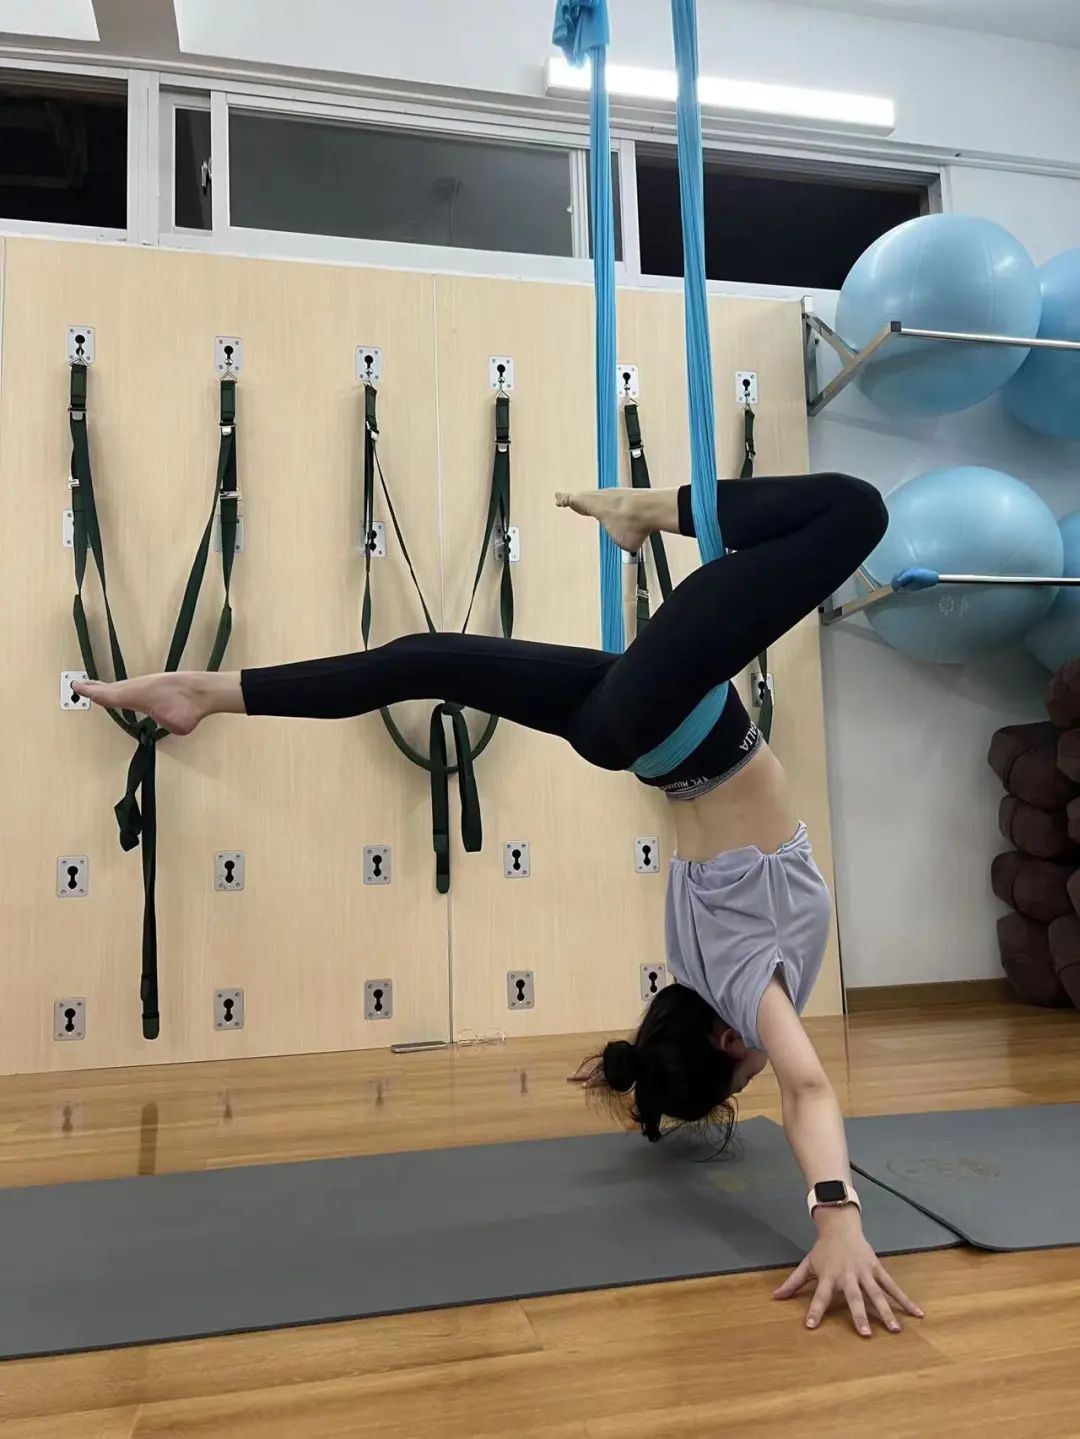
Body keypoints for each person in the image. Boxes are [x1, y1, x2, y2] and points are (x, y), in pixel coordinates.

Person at [74, 469, 922, 1338]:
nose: (767, 1060)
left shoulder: (742, 988)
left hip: (675, 711)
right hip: (629, 724)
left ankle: (645, 510)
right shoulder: (694, 961)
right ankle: (203, 694)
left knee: (856, 512)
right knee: (422, 660)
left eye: (746, 1071)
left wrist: (837, 1217)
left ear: (730, 1041)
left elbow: (809, 1087)